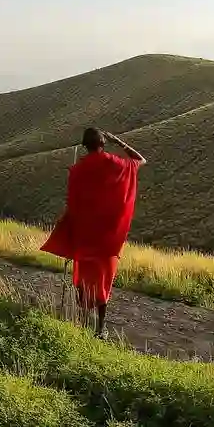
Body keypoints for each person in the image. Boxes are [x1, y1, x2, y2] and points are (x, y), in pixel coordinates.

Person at [40, 127, 147, 338]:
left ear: (84, 146)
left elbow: (73, 203)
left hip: (85, 234)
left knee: (84, 277)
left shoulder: (78, 169)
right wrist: (121, 143)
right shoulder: (116, 163)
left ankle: (81, 321)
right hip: (108, 236)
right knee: (103, 280)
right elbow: (141, 160)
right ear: (103, 143)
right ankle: (100, 328)